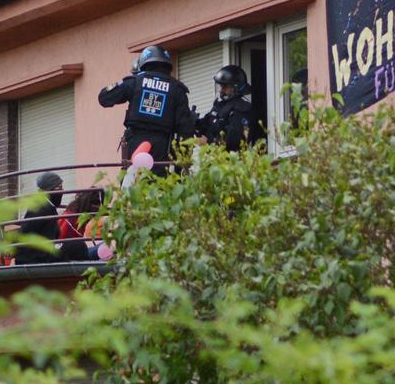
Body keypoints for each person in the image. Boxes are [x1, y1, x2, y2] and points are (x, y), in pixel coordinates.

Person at [98, 45, 196, 173]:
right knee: (158, 186)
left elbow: (104, 98)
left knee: (131, 182)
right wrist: (180, 166)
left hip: (135, 142)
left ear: (143, 63)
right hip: (162, 147)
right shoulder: (177, 89)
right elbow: (186, 130)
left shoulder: (135, 81)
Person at [198, 64, 257, 152]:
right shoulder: (221, 104)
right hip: (215, 160)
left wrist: (208, 142)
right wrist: (193, 122)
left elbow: (234, 141)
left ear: (235, 87)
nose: (221, 91)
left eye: (224, 87)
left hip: (233, 162)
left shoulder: (242, 108)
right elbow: (208, 123)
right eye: (221, 87)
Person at [13, 171, 64, 264]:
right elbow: (25, 233)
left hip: (41, 254)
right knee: (77, 247)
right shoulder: (41, 208)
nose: (62, 191)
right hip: (38, 257)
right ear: (48, 189)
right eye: (59, 187)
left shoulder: (47, 207)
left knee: (76, 246)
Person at [57, 188, 105, 261]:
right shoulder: (71, 219)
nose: (100, 208)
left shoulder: (74, 214)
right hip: (70, 255)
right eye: (98, 204)